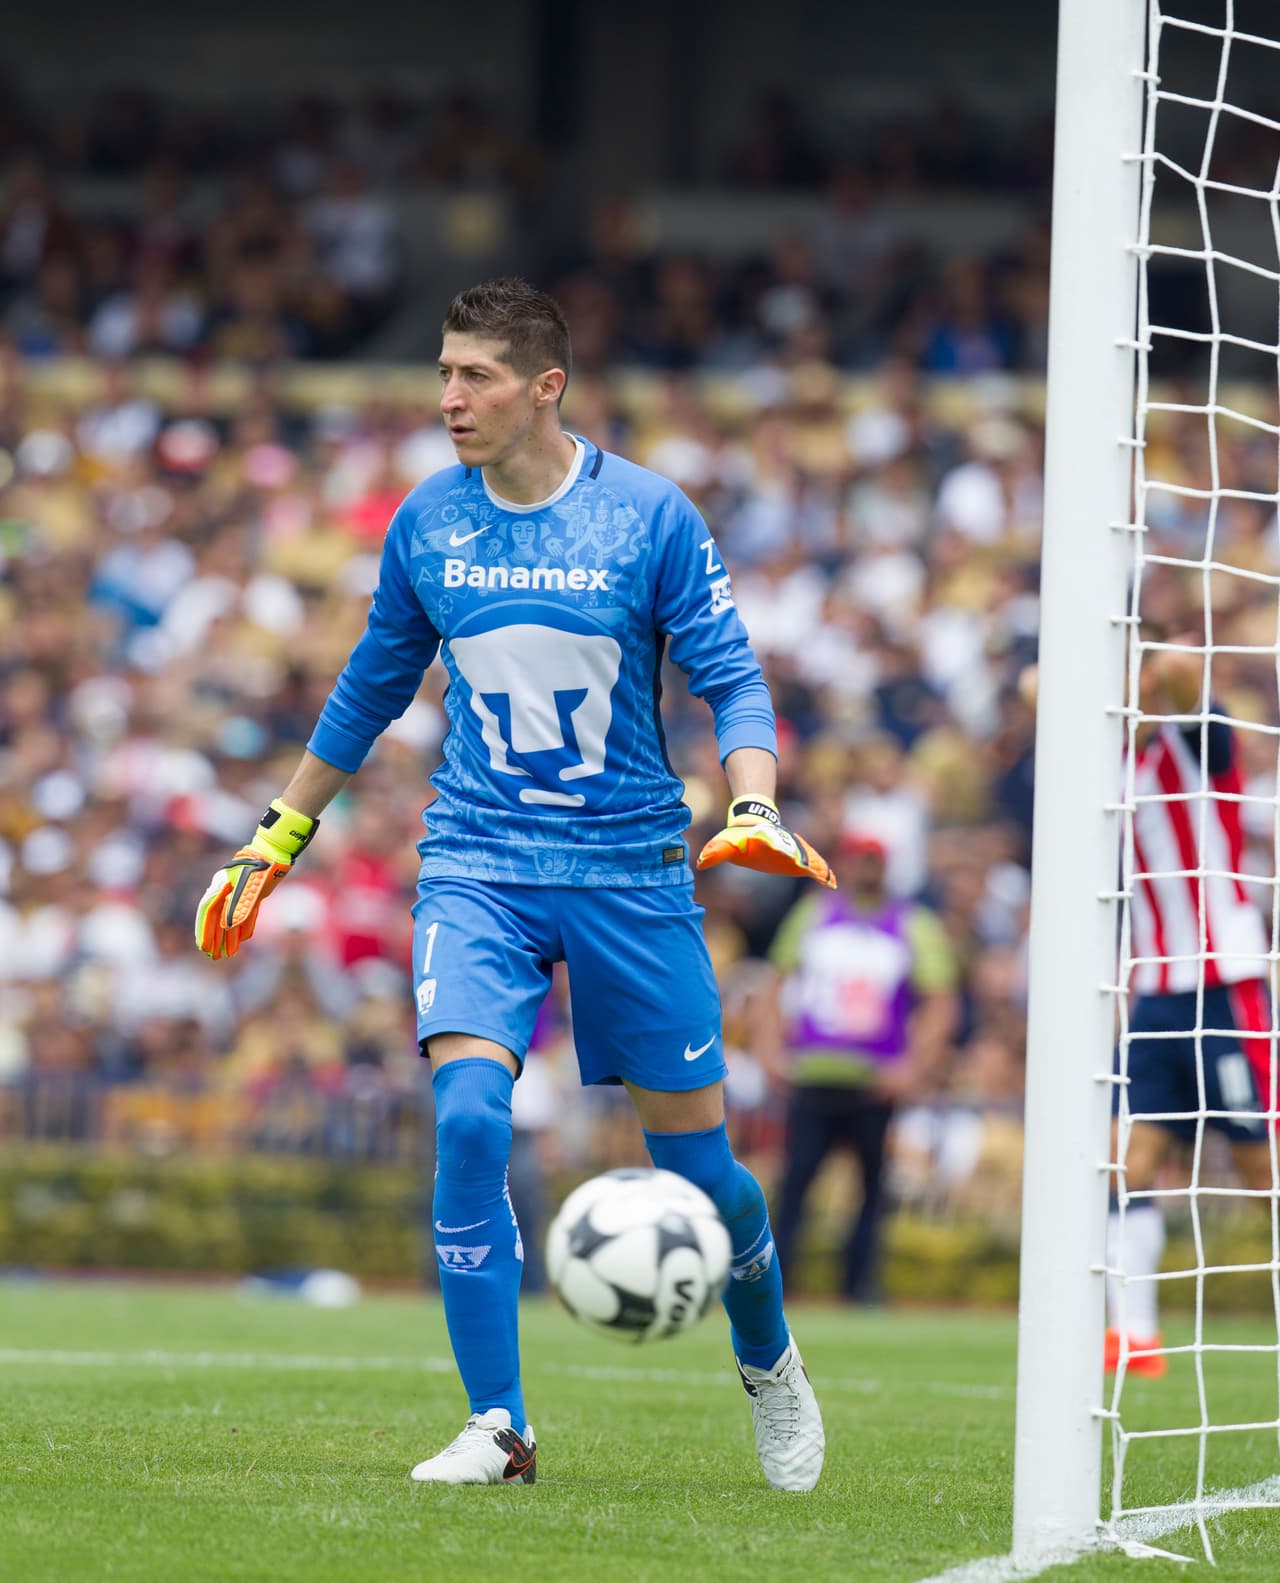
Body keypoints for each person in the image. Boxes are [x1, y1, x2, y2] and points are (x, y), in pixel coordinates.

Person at [194, 277, 833, 1490]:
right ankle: (498, 1424)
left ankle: (766, 1359)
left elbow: (731, 677)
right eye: (442, 372)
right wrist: (276, 835)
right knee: (472, 1117)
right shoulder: (427, 521)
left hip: (628, 871)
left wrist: (751, 799)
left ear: (545, 386)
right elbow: (369, 686)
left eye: (474, 375)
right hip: (478, 863)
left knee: (704, 1175)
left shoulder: (646, 513)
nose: (448, 397)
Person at [1104, 643, 1274, 1377]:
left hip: (1226, 986)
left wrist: (1146, 664)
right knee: (1127, 1161)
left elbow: (1179, 663)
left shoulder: (1199, 739)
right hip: (1155, 994)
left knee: (1259, 1168)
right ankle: (1135, 1338)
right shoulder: (1112, 759)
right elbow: (1033, 683)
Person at [762, 829, 957, 1302]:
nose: (867, 870)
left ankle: (859, 1284)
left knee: (871, 1189)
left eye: (875, 861)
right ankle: (776, 1284)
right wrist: (769, 1049)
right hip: (815, 1072)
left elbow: (940, 1000)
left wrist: (913, 1064)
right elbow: (774, 985)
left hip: (875, 1079)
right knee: (795, 1186)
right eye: (860, 860)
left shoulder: (912, 923)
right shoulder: (813, 915)